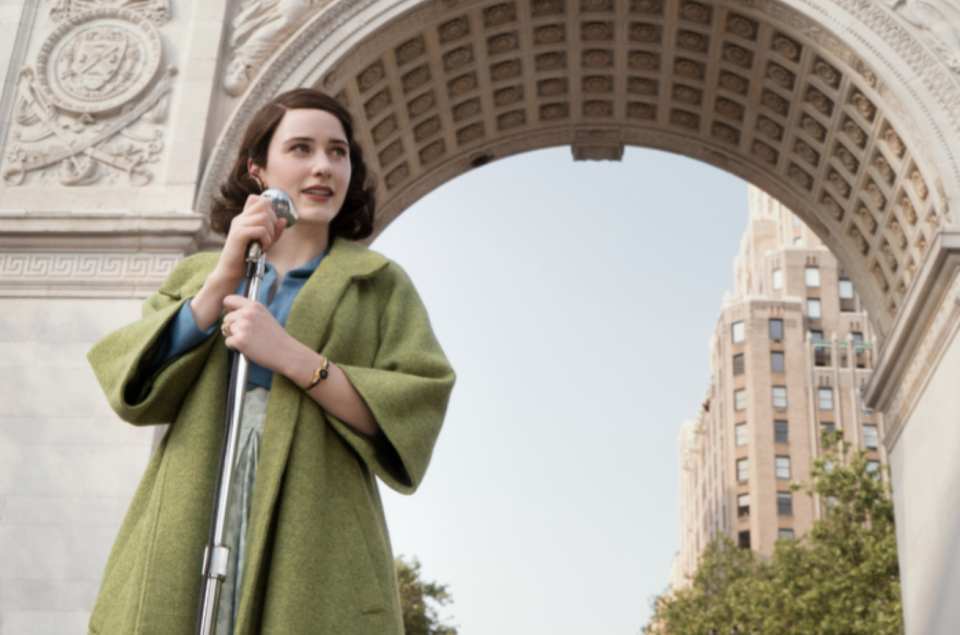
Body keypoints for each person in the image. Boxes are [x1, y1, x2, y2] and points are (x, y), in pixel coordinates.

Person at [86, 88, 455, 635]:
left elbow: (413, 412)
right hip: (190, 514)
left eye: (338, 152)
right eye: (301, 149)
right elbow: (133, 388)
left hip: (316, 537)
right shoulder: (198, 279)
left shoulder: (380, 285)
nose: (323, 167)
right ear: (257, 168)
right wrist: (220, 281)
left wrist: (293, 357)